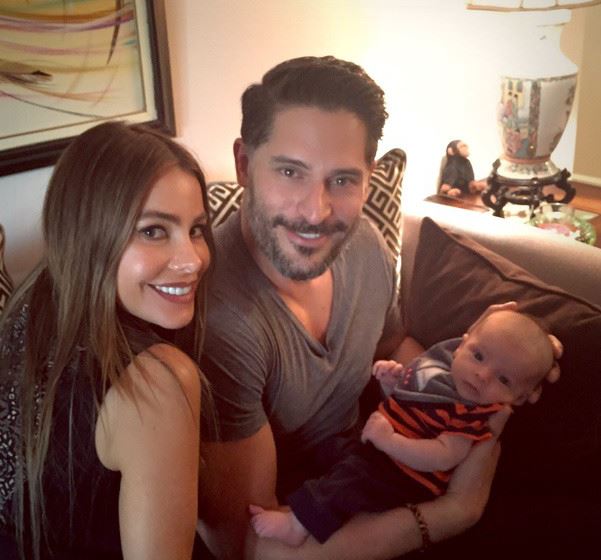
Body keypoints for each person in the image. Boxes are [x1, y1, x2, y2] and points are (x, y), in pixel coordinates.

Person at [197, 56, 560, 560]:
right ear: (243, 165)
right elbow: (249, 546)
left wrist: (497, 362)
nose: (316, 211)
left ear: (368, 176)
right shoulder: (220, 318)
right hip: (304, 523)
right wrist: (452, 512)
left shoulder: (363, 244)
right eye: (290, 172)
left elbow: (393, 345)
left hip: (378, 463)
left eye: (343, 180)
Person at [0, 121, 214, 560]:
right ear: (88, 234)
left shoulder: (32, 301)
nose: (192, 260)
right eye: (153, 231)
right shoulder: (157, 384)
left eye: (196, 229)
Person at [248, 310, 554, 547]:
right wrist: (393, 383)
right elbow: (406, 403)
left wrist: (389, 440)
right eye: (478, 356)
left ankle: (298, 526)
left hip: (405, 477)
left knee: (352, 481)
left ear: (519, 398)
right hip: (377, 449)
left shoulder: (472, 414)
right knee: (328, 451)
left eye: (504, 379)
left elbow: (444, 456)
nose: (483, 375)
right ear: (462, 344)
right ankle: (300, 499)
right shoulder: (443, 376)